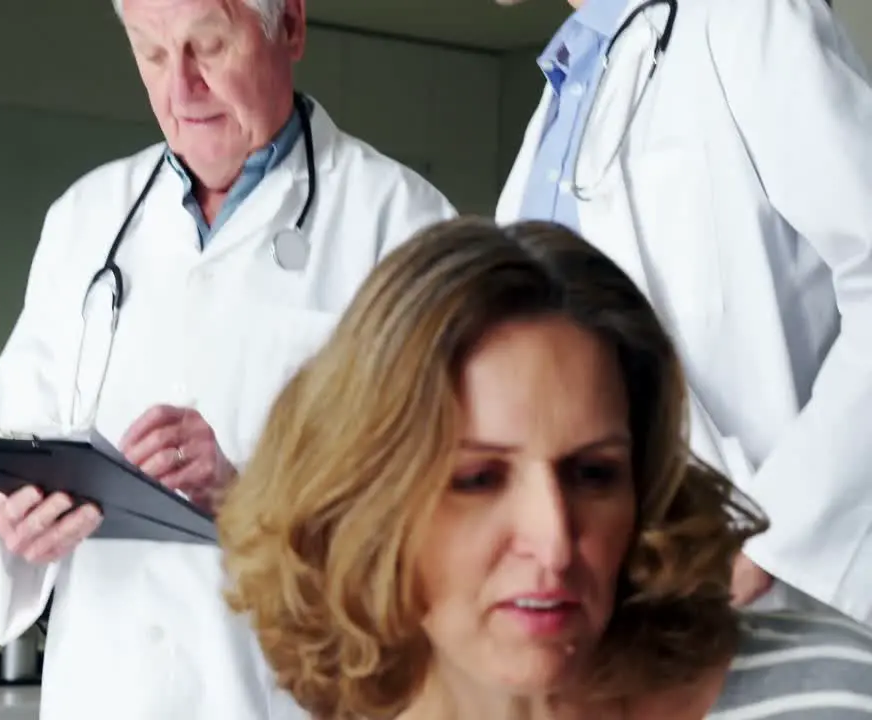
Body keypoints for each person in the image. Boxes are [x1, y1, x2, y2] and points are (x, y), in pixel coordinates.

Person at [0, 0, 456, 716]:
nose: (180, 88)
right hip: (104, 690)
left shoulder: (403, 226)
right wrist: (15, 514)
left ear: (289, 24)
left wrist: (252, 497)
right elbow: (14, 431)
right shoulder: (87, 218)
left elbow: (444, 507)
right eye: (152, 54)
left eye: (209, 47)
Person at [218, 217, 872, 720]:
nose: (554, 540)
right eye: (479, 479)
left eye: (593, 474)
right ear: (359, 501)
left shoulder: (833, 693)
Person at [494, 0, 872, 624]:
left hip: (745, 594)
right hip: (598, 603)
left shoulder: (749, 19)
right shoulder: (573, 84)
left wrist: (777, 541)